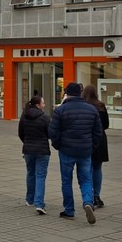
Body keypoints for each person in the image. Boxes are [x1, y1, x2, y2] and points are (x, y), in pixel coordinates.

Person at [48, 82, 102, 224]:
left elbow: (52, 131)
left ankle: (69, 210)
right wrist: (92, 145)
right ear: (79, 93)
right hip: (85, 150)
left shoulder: (61, 110)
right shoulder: (91, 109)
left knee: (66, 181)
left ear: (67, 93)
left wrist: (57, 145)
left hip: (66, 150)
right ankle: (88, 202)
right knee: (85, 179)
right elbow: (98, 132)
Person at [19, 95, 50, 215]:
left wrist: (26, 142)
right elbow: (49, 134)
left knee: (30, 173)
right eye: (43, 103)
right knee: (40, 176)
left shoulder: (24, 116)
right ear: (38, 105)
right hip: (42, 150)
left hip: (28, 150)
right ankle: (39, 203)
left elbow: (20, 133)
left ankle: (29, 199)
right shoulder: (44, 117)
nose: (44, 105)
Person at [82, 84, 109, 209]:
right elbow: (106, 124)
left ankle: (90, 196)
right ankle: (97, 196)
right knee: (97, 168)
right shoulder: (101, 105)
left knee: (88, 168)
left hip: (86, 138)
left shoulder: (84, 106)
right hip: (101, 139)